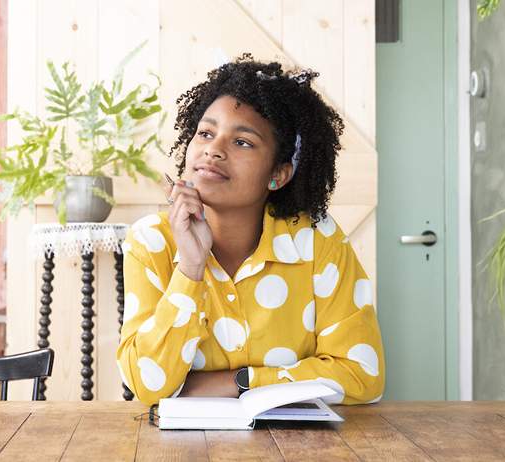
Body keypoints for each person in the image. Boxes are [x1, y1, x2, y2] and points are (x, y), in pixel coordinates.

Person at [116, 53, 384, 406]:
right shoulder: (150, 242)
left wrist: (241, 381)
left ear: (279, 174)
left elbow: (363, 375)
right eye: (206, 133)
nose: (213, 149)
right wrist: (191, 270)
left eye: (242, 142)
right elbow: (147, 386)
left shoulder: (318, 241)